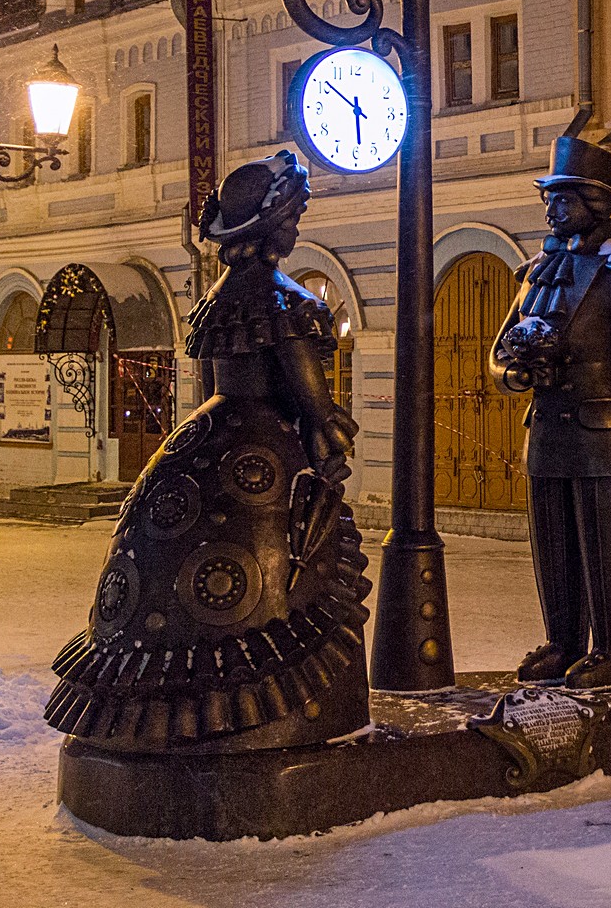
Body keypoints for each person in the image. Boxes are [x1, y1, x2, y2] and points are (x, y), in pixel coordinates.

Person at [45, 151, 370, 752]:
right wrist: (328, 438)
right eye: (293, 215)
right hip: (268, 450)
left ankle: (152, 702)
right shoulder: (286, 303)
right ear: (272, 225)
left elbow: (216, 379)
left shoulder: (217, 300)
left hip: (201, 440)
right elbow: (313, 403)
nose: (297, 227)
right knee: (288, 579)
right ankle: (260, 710)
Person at [490, 136, 611, 691]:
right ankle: (563, 642)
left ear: (594, 206)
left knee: (610, 552)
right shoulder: (534, 275)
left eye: (563, 199)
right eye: (548, 199)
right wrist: (516, 375)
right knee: (555, 548)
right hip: (547, 433)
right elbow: (499, 354)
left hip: (608, 436)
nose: (551, 210)